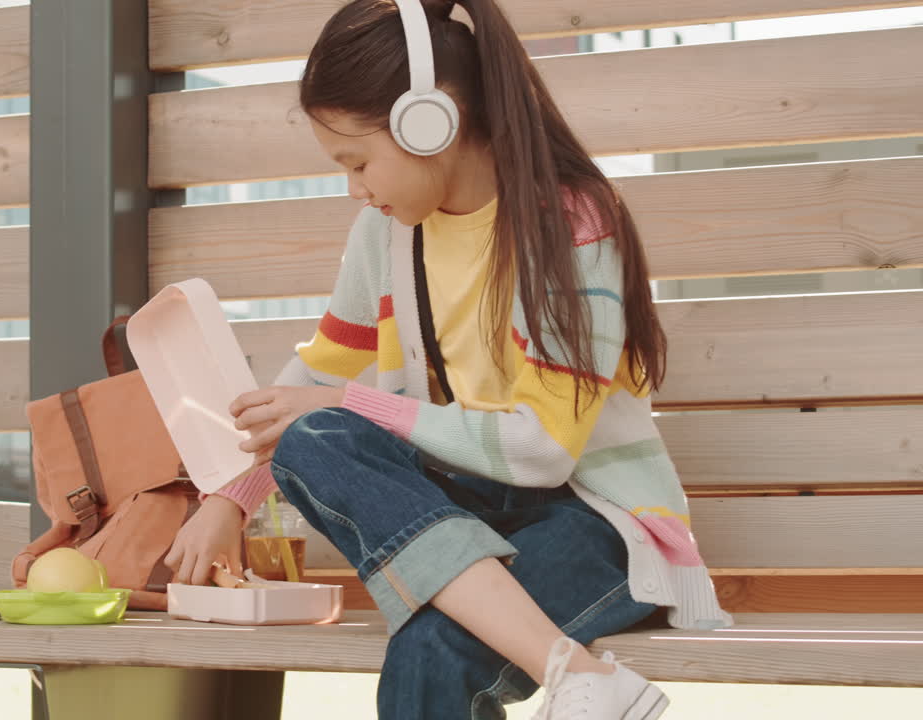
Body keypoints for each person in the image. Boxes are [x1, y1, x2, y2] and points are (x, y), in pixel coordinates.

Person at [164, 1, 732, 718]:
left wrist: (351, 403)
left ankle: (575, 673)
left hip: (598, 526)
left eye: (359, 161)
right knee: (313, 438)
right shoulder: (386, 233)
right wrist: (228, 501)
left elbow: (544, 452)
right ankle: (578, 674)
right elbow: (317, 379)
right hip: (467, 512)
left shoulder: (572, 226)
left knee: (431, 647)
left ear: (430, 122)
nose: (355, 188)